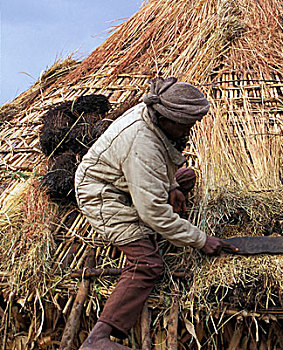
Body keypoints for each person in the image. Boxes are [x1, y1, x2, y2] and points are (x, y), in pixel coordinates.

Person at [74, 77, 234, 350]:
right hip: (104, 193)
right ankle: (98, 337)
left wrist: (171, 185)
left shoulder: (152, 114)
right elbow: (153, 213)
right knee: (147, 265)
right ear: (166, 118)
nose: (189, 129)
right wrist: (200, 239)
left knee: (185, 177)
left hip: (128, 178)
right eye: (185, 124)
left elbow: (162, 157)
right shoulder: (141, 145)